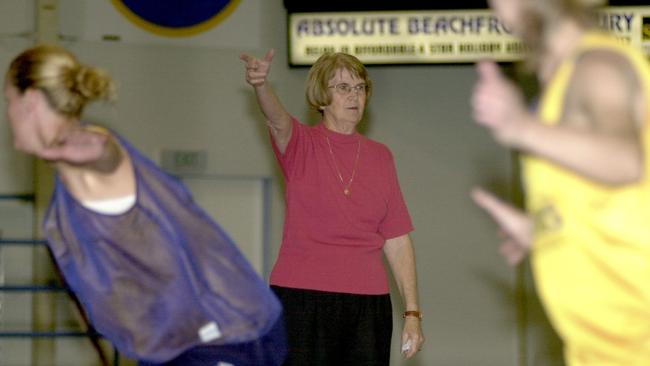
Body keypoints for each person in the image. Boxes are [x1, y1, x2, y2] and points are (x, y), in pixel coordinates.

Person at [4, 44, 287, 365]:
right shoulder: (66, 185)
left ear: (30, 102)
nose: (7, 113)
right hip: (173, 347)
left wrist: (76, 145)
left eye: (8, 101)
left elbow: (105, 154)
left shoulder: (95, 153)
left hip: (222, 337)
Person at [471, 0, 650, 364]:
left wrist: (520, 126)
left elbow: (627, 160)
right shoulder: (567, 78)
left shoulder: (597, 65)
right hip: (600, 350)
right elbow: (614, 199)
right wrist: (544, 232)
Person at [240, 49, 425, 365]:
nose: (355, 95)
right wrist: (261, 85)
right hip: (302, 299)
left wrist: (412, 313)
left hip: (368, 305)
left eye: (360, 87)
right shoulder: (300, 144)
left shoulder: (380, 157)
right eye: (343, 87)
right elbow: (276, 117)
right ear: (322, 97)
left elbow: (397, 238)